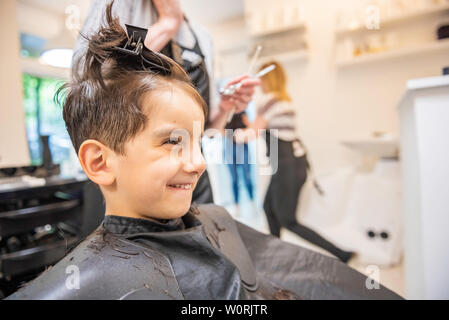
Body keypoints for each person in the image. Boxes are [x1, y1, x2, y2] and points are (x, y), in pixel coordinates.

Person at [6, 5, 401, 300]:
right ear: (98, 161)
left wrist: (224, 108)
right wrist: (164, 29)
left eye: (194, 146)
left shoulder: (203, 36)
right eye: (172, 141)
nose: (198, 161)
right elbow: (92, 84)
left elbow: (201, 127)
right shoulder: (118, 9)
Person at [72, 0, 261, 204]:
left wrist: (225, 106)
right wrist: (167, 24)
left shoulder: (203, 37)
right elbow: (90, 74)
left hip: (194, 182)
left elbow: (208, 131)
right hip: (139, 180)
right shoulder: (123, 4)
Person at [243, 61, 354, 263]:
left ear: (267, 79)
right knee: (268, 207)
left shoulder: (267, 101)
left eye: (260, 77)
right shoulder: (284, 101)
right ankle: (275, 255)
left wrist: (225, 133)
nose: (258, 82)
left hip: (286, 167)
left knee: (288, 220)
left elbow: (251, 134)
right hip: (296, 165)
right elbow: (266, 128)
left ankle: (341, 254)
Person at [224, 111, 255, 217]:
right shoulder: (225, 111)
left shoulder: (242, 112)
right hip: (229, 146)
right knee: (234, 179)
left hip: (243, 146)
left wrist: (241, 133)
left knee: (247, 177)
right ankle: (236, 206)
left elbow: (251, 127)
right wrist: (231, 136)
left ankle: (252, 202)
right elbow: (219, 129)